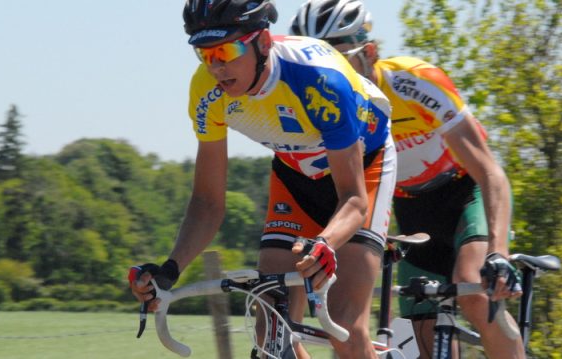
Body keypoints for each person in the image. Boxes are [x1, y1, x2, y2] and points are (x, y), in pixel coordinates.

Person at [128, 1, 398, 358]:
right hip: (295, 170)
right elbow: (208, 202)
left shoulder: (319, 80)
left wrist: (325, 243)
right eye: (204, 55)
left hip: (363, 165)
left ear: (264, 43)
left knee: (345, 324)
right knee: (270, 321)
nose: (217, 67)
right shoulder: (206, 92)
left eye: (226, 51)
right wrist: (169, 270)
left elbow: (353, 198)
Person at [290, 1, 525, 358]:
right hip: (411, 213)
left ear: (369, 53)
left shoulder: (413, 81)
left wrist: (499, 252)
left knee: (475, 294)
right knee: (419, 337)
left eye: (339, 60)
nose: (328, 74)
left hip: (464, 195)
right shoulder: (324, 108)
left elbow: (490, 171)